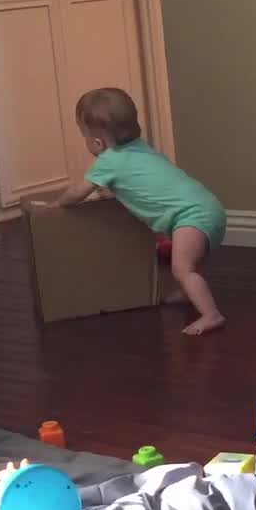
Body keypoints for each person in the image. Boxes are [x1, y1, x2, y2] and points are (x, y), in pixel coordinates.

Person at [55, 88, 227, 335]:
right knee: (189, 264)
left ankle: (211, 315)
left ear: (97, 142)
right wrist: (115, 193)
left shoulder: (109, 160)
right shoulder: (140, 148)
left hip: (191, 216)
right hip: (207, 206)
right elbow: (141, 185)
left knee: (182, 267)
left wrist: (58, 204)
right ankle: (190, 292)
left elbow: (77, 192)